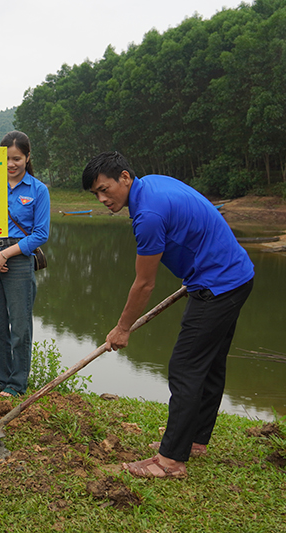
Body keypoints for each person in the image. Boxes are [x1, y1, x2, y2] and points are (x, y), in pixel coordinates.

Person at [82, 151, 254, 479]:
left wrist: (122, 328)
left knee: (185, 367)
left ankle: (171, 461)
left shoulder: (147, 215)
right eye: (96, 194)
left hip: (218, 285)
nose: (103, 198)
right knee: (211, 363)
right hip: (234, 274)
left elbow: (144, 284)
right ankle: (195, 440)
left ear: (125, 177)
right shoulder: (153, 185)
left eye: (106, 189)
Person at [0, 131, 50, 398]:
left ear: (27, 157)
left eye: (17, 158)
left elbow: (41, 234)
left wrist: (5, 254)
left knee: (20, 327)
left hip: (19, 260)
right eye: (7, 159)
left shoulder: (38, 190)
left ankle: (17, 385)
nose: (11, 164)